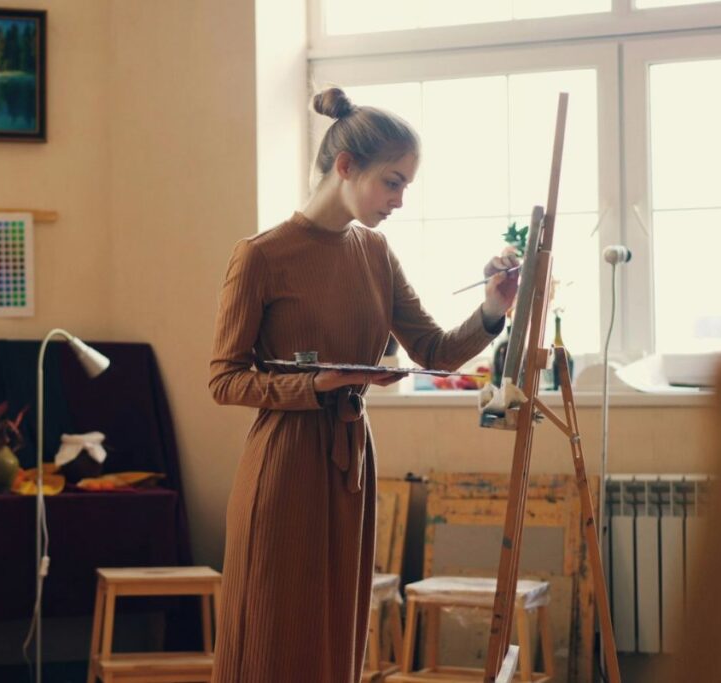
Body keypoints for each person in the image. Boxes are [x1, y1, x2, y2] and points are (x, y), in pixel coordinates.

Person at [208, 87, 519, 682]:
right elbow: (224, 379)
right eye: (393, 182)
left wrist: (490, 309)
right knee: (275, 630)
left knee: (338, 630)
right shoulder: (260, 256)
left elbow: (433, 351)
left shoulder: (375, 252)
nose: (400, 200)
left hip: (351, 466)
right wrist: (314, 386)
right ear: (346, 167)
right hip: (284, 465)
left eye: (406, 186)